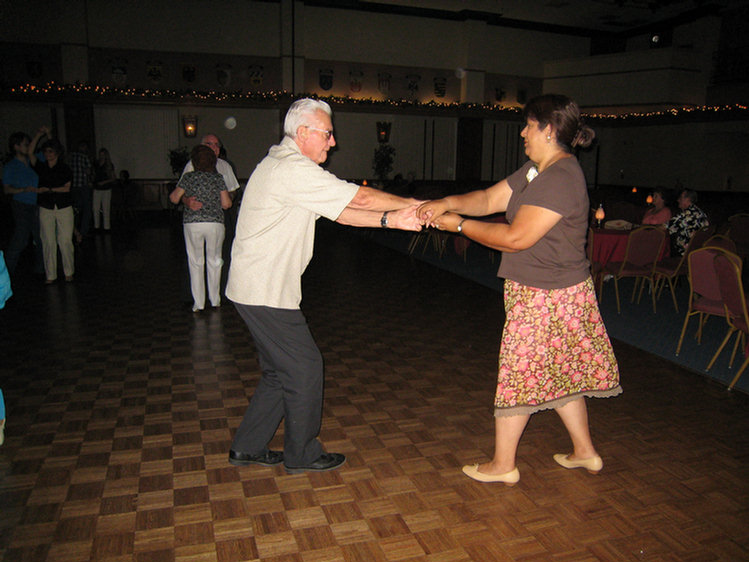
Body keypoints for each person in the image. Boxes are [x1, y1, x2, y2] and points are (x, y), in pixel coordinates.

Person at [417, 94, 621, 485]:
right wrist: (446, 201)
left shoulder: (560, 177)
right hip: (555, 292)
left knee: (518, 373)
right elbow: (491, 198)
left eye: (529, 125)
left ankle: (503, 464)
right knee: (561, 370)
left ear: (548, 129)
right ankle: (584, 452)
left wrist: (457, 225)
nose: (523, 132)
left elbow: (516, 237)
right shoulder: (537, 170)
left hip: (546, 297)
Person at [225, 98, 421, 474]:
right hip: (265, 292)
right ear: (303, 134)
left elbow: (344, 211)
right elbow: (358, 196)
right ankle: (302, 454)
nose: (333, 143)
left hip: (255, 288)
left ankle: (248, 447)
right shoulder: (292, 170)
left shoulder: (284, 166)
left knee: (279, 373)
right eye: (328, 134)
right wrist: (412, 203)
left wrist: (393, 221)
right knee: (305, 369)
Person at [169, 145, 232, 312]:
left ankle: (198, 303)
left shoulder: (188, 178)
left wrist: (187, 199)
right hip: (215, 224)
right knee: (215, 261)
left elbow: (174, 198)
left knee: (195, 262)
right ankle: (215, 300)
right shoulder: (217, 178)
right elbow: (227, 204)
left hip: (193, 223)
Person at [28, 128, 75, 284]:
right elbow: (30, 153)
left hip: (63, 207)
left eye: (51, 151)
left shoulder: (64, 168)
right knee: (48, 241)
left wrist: (48, 189)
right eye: (46, 151)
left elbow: (66, 188)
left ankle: (68, 271)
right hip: (46, 206)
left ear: (57, 153)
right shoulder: (41, 168)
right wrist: (38, 135)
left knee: (66, 240)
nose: (48, 154)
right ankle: (51, 274)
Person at [2, 132, 43, 276]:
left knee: (40, 238)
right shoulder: (10, 166)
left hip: (37, 204)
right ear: (16, 146)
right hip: (21, 205)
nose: (28, 146)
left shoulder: (33, 159)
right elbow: (6, 190)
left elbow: (52, 150)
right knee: (21, 239)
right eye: (26, 144)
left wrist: (43, 134)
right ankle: (5, 274)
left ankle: (42, 270)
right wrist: (23, 189)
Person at [181, 134, 240, 210]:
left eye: (216, 144)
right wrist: (187, 201)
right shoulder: (191, 165)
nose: (214, 147)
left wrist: (226, 199)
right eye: (209, 144)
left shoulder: (225, 166)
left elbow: (232, 189)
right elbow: (180, 193)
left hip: (220, 214)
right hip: (196, 214)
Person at [667, 189, 709, 255]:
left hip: (685, 253)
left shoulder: (689, 213)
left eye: (680, 198)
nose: (678, 200)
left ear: (688, 199)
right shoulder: (699, 212)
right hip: (697, 251)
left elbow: (668, 226)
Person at [69, 141, 93, 240]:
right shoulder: (84, 157)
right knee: (87, 209)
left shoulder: (70, 157)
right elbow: (88, 172)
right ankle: (83, 231)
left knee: (75, 209)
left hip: (73, 186)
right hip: (83, 186)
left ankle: (74, 230)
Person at [93, 148, 116, 231]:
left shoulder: (109, 165)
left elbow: (113, 178)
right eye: (100, 154)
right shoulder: (96, 164)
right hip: (97, 188)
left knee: (106, 208)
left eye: (103, 155)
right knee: (96, 208)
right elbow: (93, 175)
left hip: (106, 189)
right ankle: (96, 226)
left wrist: (104, 182)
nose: (101, 156)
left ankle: (107, 227)